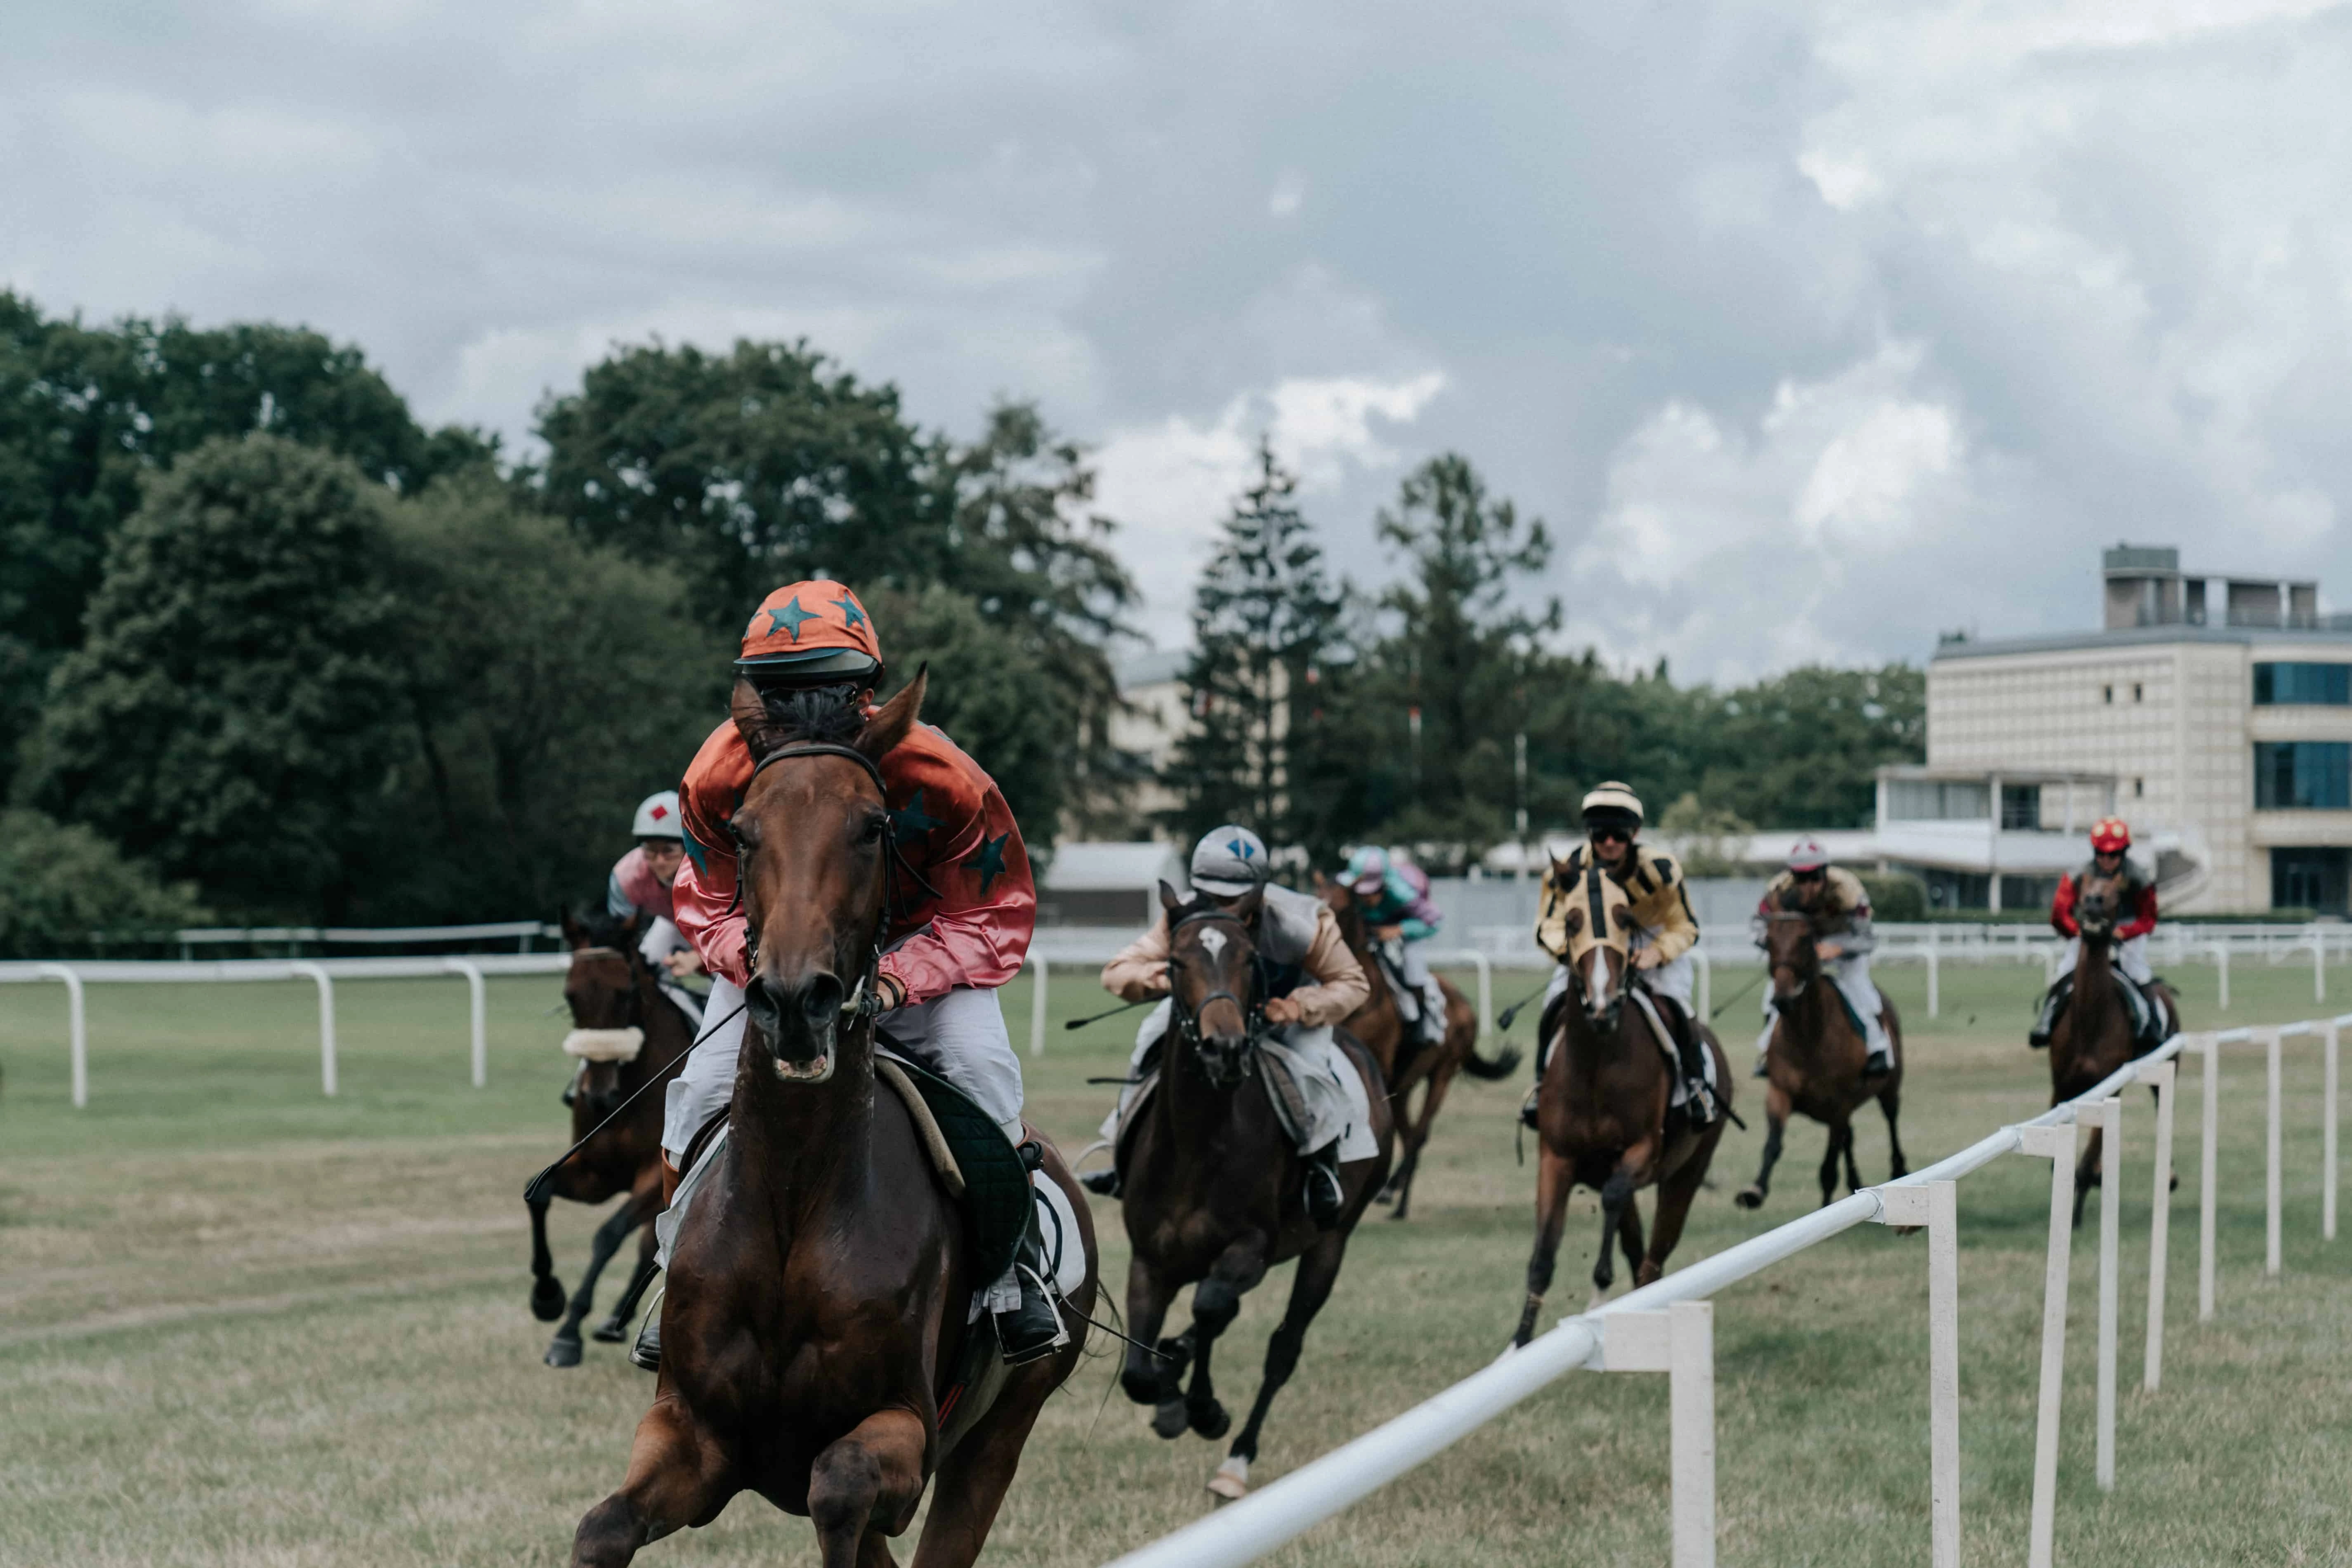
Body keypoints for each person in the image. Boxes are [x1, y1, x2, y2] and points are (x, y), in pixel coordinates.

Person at [639, 578, 1062, 1371]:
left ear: (865, 691)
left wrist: (901, 977)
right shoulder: (715, 777)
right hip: (782, 954)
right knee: (697, 1089)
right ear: (753, 697)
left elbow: (991, 912)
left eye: (824, 689)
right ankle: (675, 1277)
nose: (802, 707)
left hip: (922, 957)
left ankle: (1015, 1276)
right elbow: (704, 899)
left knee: (978, 1066)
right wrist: (760, 960)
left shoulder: (946, 778)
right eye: (782, 692)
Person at [1083, 826, 1373, 1225]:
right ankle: (1121, 1151)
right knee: (1148, 1040)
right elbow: (1118, 971)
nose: (1216, 904)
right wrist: (1172, 979)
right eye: (1208, 892)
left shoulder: (1304, 921)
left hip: (1286, 1012)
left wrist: (1296, 1006)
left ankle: (1319, 1168)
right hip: (1211, 1011)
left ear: (1258, 891)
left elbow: (1352, 983)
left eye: (1230, 898)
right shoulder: (1183, 913)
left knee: (1310, 1069)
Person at [1529, 782, 1718, 1126]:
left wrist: (1655, 954)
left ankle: (1696, 1087)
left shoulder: (1660, 870)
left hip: (1649, 945)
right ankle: (1540, 1088)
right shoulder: (1566, 872)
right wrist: (1571, 953)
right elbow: (1548, 925)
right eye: (1600, 835)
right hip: (1588, 951)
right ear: (1589, 834)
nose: (1610, 843)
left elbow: (1685, 926)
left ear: (1635, 832)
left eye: (1618, 834)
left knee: (1676, 1005)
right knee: (1554, 1002)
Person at [1753, 836, 1891, 1076]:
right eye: (1801, 878)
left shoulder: (1849, 890)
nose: (1808, 886)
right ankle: (1768, 1049)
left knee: (1859, 988)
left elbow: (1868, 939)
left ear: (1825, 873)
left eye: (1815, 877)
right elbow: (1757, 927)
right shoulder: (1778, 890)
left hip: (1845, 950)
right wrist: (1776, 946)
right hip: (1802, 953)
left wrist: (1838, 948)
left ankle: (1878, 1048)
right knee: (1775, 992)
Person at [2030, 817, 2163, 1048]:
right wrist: (2078, 931)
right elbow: (2059, 914)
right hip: (2088, 930)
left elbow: (2148, 918)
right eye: (2100, 854)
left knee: (2138, 973)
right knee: (2064, 971)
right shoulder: (2079, 875)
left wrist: (2126, 932)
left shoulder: (2138, 877)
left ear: (2124, 852)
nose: (2106, 860)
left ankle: (2152, 1027)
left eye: (2113, 855)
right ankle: (2046, 1022)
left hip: (2126, 932)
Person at [1340, 846, 1449, 1048]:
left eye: (1372, 893)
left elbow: (1435, 922)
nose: (1366, 899)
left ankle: (1425, 1018)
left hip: (1407, 930)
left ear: (1385, 885)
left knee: (1412, 970)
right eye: (1361, 893)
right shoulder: (1347, 884)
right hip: (1370, 932)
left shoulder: (1403, 893)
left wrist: (1398, 930)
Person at [604, 790, 704, 988]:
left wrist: (699, 956)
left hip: (716, 926)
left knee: (727, 980)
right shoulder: (625, 876)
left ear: (688, 846)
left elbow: (737, 925)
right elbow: (623, 934)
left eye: (668, 850)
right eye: (650, 850)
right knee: (645, 974)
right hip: (671, 923)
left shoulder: (711, 870)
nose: (659, 861)